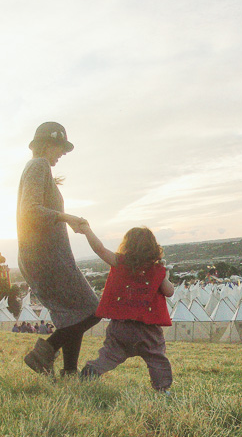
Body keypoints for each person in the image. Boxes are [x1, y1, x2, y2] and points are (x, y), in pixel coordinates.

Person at [18, 121, 101, 377]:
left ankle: (69, 372)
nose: (62, 153)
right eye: (60, 147)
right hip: (46, 256)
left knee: (71, 314)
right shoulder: (38, 165)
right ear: (48, 144)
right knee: (93, 309)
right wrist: (68, 218)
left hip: (45, 255)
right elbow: (29, 211)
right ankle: (42, 354)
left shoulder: (39, 169)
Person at [77, 224, 175, 392]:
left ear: (127, 245)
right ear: (153, 248)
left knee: (110, 354)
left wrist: (87, 230)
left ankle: (94, 369)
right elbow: (169, 292)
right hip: (147, 329)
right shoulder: (156, 270)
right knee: (156, 358)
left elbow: (99, 249)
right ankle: (162, 389)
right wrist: (164, 275)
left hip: (121, 326)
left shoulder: (119, 263)